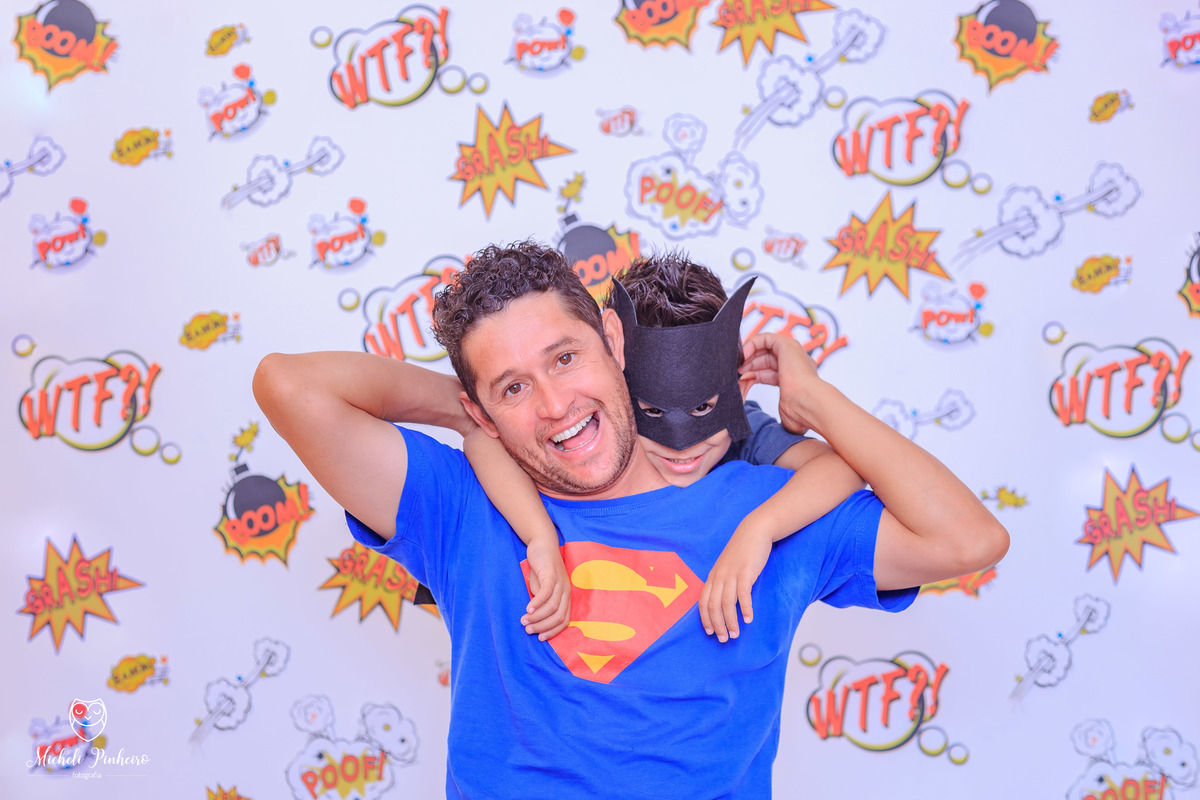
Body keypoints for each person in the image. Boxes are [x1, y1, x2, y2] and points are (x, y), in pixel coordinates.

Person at [253, 240, 1009, 799]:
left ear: (614, 342)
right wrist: (472, 414)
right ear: (482, 409)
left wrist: (816, 403)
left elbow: (968, 539)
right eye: (514, 388)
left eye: (564, 358)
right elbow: (290, 387)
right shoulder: (465, 506)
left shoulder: (769, 509)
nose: (556, 405)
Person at [452, 253, 866, 644]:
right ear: (617, 369)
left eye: (702, 408)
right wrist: (539, 535)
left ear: (738, 394)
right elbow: (479, 435)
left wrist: (761, 526)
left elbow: (843, 467)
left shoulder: (743, 432)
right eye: (652, 410)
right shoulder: (581, 433)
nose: (683, 444)